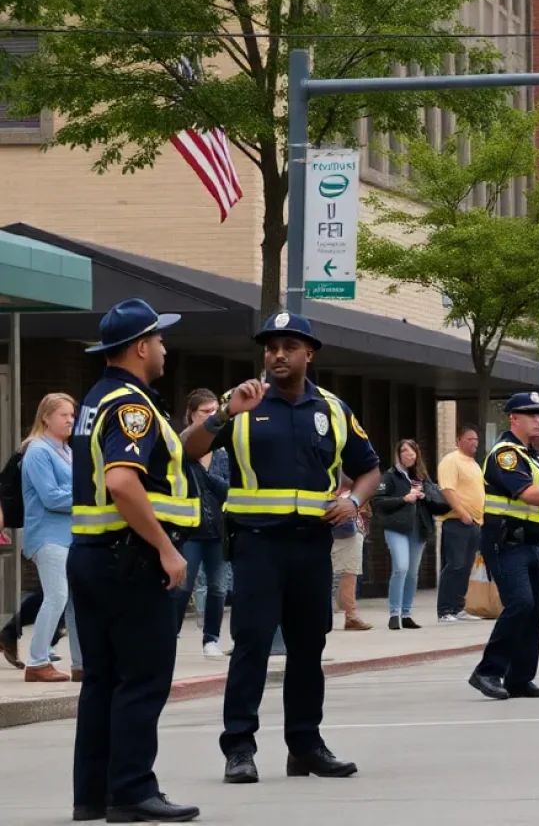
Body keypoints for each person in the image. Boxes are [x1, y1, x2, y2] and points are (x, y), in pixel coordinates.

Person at [180, 311, 381, 786]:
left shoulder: (333, 410)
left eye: (289, 346)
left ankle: (305, 746)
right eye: (271, 347)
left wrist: (353, 500)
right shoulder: (242, 401)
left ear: (309, 354)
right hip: (257, 546)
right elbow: (187, 448)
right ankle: (240, 749)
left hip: (312, 547)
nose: (277, 354)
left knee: (309, 647)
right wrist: (226, 414)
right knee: (250, 645)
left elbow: (369, 468)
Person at [68, 298, 205, 824]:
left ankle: (94, 795)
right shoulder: (132, 406)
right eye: (161, 340)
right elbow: (122, 481)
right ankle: (131, 791)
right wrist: (167, 550)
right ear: (141, 347)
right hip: (131, 562)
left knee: (102, 680)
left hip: (94, 557)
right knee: (142, 679)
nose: (166, 349)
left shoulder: (94, 400)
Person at [468, 393, 539, 701]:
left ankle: (519, 678)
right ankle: (487, 671)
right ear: (513, 419)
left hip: (532, 544)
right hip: (506, 542)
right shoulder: (505, 454)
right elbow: (526, 492)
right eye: (531, 415)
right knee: (520, 603)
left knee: (533, 613)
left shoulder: (533, 457)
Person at [20, 392, 82, 682]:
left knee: (75, 601)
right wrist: (87, 496)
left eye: (72, 414)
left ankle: (81, 664)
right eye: (64, 415)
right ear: (46, 417)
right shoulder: (37, 451)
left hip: (69, 536)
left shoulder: (67, 451)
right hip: (47, 537)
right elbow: (51, 497)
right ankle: (37, 662)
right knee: (56, 597)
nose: (70, 419)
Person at [174, 389, 231, 658]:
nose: (210, 416)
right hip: (189, 530)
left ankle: (211, 639)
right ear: (191, 415)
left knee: (218, 586)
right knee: (183, 586)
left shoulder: (222, 451)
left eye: (214, 411)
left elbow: (228, 489)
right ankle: (169, 635)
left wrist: (209, 479)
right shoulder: (181, 448)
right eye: (204, 412)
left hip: (218, 530)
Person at [374, 439, 448, 630]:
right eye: (405, 451)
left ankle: (406, 614)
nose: (409, 455)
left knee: (413, 573)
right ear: (398, 454)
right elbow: (378, 502)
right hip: (396, 529)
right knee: (400, 567)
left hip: (418, 529)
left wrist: (425, 496)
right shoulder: (390, 476)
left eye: (412, 451)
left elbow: (438, 502)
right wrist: (404, 498)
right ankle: (394, 613)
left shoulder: (422, 476)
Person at [436, 424, 485, 623]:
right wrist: (463, 513)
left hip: (475, 523)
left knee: (465, 567)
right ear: (459, 441)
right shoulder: (451, 460)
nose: (474, 443)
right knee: (454, 565)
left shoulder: (473, 463)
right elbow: (447, 490)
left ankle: (458, 607)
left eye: (476, 440)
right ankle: (445, 610)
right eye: (469, 439)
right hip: (457, 522)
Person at [331, 479, 372, 631]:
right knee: (347, 573)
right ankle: (351, 616)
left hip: (348, 529)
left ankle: (350, 615)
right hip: (344, 531)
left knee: (346, 572)